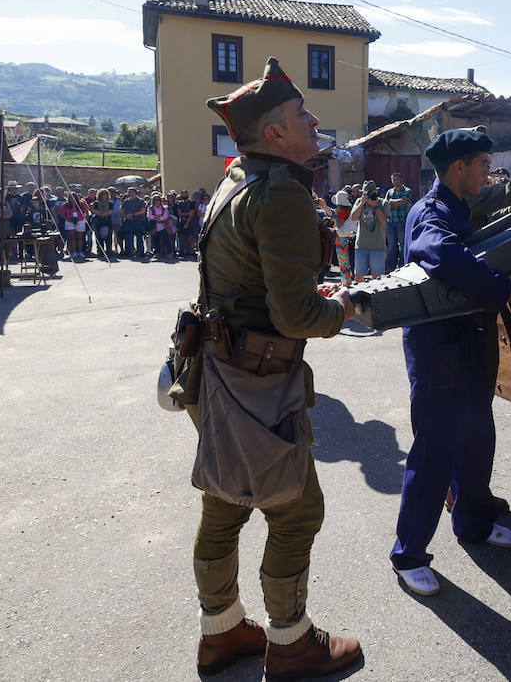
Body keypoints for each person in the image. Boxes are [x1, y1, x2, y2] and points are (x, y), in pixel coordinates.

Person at [187, 56, 362, 678]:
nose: (313, 120)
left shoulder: (235, 180)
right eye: (300, 112)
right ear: (276, 133)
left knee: (224, 501)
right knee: (297, 509)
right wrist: (341, 308)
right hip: (260, 380)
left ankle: (222, 633)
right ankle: (290, 644)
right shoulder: (282, 192)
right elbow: (295, 315)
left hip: (218, 371)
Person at [389, 129, 511, 597]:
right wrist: (500, 288)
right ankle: (408, 553)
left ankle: (472, 521)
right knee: (435, 450)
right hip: (439, 350)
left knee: (476, 438)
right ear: (459, 168)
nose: (487, 172)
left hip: (467, 343)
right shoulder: (431, 211)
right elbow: (439, 253)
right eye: (483, 164)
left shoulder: (457, 206)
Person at [349, 180, 388, 279]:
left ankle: (376, 295)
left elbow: (383, 222)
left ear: (376, 191)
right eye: (367, 193)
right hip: (361, 245)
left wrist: (376, 207)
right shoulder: (359, 202)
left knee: (377, 278)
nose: (370, 195)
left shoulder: (383, 203)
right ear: (363, 193)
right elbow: (353, 218)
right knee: (359, 276)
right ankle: (360, 295)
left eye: (372, 192)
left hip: (378, 246)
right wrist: (362, 203)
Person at [382, 172, 412, 272]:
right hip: (390, 222)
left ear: (401, 179)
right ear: (392, 181)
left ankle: (402, 266)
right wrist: (397, 202)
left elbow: (404, 201)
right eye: (394, 180)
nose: (396, 181)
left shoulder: (407, 191)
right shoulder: (389, 192)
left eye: (397, 179)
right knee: (391, 246)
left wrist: (392, 202)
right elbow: (386, 205)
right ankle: (391, 267)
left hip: (402, 222)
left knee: (403, 245)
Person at [121, 188, 148, 258]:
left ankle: (140, 252)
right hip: (128, 221)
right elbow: (122, 211)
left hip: (138, 221)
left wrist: (133, 214)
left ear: (136, 193)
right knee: (128, 237)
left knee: (139, 237)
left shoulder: (140, 201)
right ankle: (129, 252)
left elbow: (143, 211)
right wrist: (126, 216)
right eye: (130, 192)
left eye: (133, 192)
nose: (131, 194)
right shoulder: (125, 202)